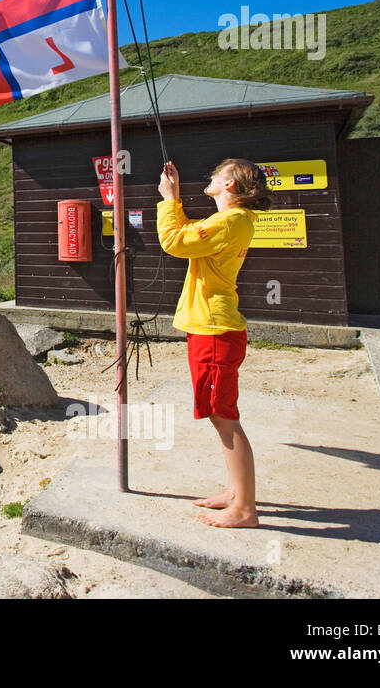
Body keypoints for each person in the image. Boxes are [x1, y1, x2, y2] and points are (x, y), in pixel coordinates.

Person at [156, 157, 272, 529]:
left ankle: (245, 510)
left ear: (231, 186)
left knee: (224, 418)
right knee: (219, 415)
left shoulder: (231, 221)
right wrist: (175, 202)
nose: (211, 176)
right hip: (212, 329)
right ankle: (236, 493)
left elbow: (174, 241)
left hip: (215, 332)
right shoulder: (231, 222)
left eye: (217, 174)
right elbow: (193, 233)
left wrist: (168, 200)